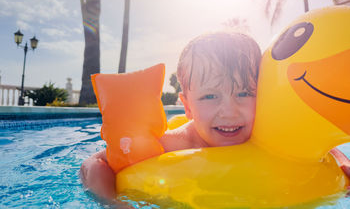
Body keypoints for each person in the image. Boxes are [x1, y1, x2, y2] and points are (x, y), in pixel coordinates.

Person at [80, 32, 350, 200]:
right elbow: (93, 163)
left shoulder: (264, 132)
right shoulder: (173, 144)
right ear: (187, 106)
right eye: (210, 97)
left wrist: (342, 164)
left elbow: (317, 147)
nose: (229, 111)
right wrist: (112, 202)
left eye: (245, 93)